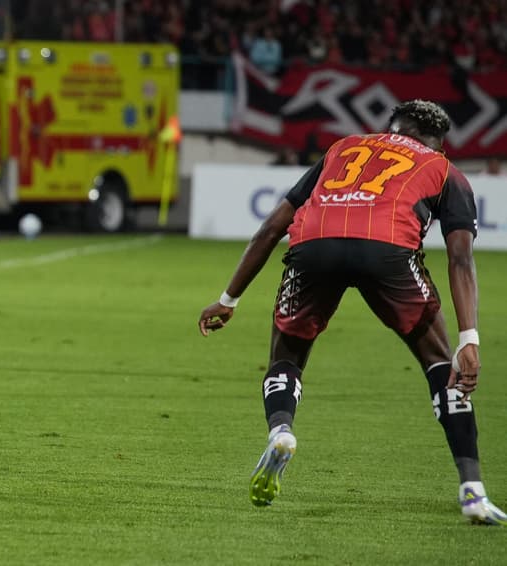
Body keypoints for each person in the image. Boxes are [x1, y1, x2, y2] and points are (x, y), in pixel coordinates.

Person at [197, 99, 507, 525]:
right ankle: (472, 492)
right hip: (388, 250)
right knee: (441, 363)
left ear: (392, 128)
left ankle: (281, 432)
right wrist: (468, 338)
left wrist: (228, 299)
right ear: (439, 143)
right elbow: (460, 258)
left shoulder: (343, 148)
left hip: (315, 244)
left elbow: (272, 227)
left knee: (287, 356)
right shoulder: (444, 169)